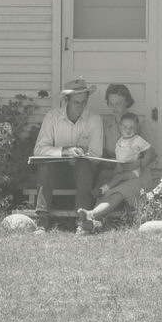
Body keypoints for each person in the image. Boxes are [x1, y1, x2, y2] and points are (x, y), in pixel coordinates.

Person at [30, 77, 106, 224]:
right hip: (57, 175)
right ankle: (42, 219)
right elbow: (38, 150)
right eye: (76, 102)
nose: (80, 106)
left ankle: (82, 220)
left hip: (84, 176)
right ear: (66, 100)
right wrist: (64, 151)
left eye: (84, 102)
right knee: (45, 165)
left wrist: (84, 154)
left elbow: (98, 156)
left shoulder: (94, 119)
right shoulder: (52, 117)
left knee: (84, 166)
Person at [76, 109, 154, 234]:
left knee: (116, 191)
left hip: (134, 175)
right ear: (120, 127)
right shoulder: (120, 140)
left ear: (136, 128)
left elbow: (150, 153)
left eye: (132, 127)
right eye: (125, 127)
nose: (128, 130)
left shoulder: (138, 139)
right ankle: (91, 220)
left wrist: (139, 163)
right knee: (107, 180)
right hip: (121, 171)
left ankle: (92, 213)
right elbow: (120, 157)